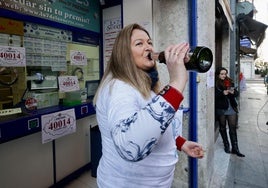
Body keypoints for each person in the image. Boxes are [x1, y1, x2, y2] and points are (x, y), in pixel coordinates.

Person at [93, 23, 204, 187]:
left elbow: (147, 123)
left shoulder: (144, 85)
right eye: (139, 43)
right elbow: (130, 145)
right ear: (124, 54)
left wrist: (179, 142)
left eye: (149, 42)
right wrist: (177, 81)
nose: (148, 48)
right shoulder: (118, 88)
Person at [215, 67, 245, 157]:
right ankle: (226, 145)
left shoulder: (230, 81)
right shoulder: (215, 83)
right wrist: (222, 93)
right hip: (221, 108)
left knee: (233, 128)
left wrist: (233, 92)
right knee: (222, 128)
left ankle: (235, 148)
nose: (224, 75)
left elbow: (236, 93)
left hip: (231, 108)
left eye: (225, 73)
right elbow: (214, 96)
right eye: (222, 74)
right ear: (218, 74)